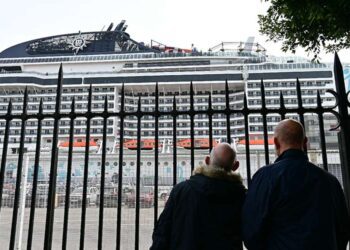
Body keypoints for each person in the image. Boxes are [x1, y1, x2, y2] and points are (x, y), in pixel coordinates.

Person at [242, 119, 350, 250]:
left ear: (275, 142)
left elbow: (251, 230)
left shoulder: (265, 177)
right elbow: (343, 229)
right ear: (305, 142)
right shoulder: (330, 181)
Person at [150, 143, 246, 250]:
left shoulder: (181, 190)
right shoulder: (241, 196)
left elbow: (162, 231)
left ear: (207, 161)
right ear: (236, 166)